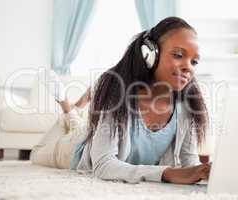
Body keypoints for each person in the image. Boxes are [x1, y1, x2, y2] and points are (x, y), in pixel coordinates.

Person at [30, 16, 211, 184]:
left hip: (92, 133)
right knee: (37, 153)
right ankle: (66, 105)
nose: (188, 67)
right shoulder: (120, 92)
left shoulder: (187, 104)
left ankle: (73, 108)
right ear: (150, 54)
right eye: (178, 55)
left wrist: (202, 172)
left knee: (79, 125)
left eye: (194, 62)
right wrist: (166, 173)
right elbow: (103, 165)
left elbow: (189, 160)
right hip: (73, 151)